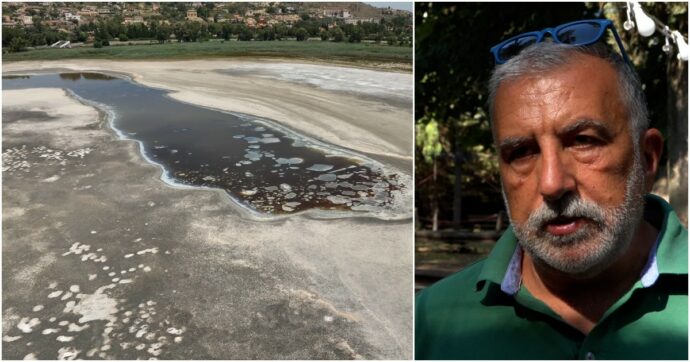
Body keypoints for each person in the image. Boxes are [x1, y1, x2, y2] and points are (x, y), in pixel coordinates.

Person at [415, 19, 688, 360]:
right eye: (522, 152)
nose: (552, 184)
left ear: (647, 159)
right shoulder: (428, 325)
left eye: (583, 142)